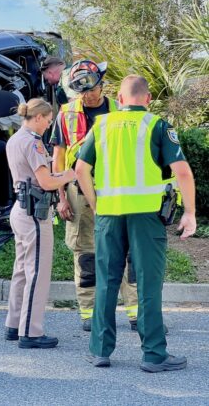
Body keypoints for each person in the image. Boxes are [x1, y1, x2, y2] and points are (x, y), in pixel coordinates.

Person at [76, 75, 196, 372]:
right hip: (146, 216)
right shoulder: (158, 125)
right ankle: (154, 355)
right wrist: (190, 212)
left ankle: (100, 350)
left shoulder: (101, 125)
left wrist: (95, 204)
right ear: (148, 97)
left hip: (108, 215)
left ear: (119, 96)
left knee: (106, 280)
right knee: (148, 283)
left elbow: (80, 169)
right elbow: (181, 170)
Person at [50, 59, 139, 332]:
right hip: (78, 193)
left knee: (127, 252)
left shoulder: (119, 111)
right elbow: (59, 159)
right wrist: (61, 198)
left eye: (92, 88)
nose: (88, 94)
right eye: (81, 90)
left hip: (117, 191)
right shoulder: (65, 115)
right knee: (86, 254)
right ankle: (89, 314)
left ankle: (136, 313)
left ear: (101, 84)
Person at [4, 98, 75, 349]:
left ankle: (14, 325)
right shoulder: (33, 143)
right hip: (34, 212)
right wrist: (69, 175)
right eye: (47, 119)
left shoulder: (15, 139)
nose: (48, 124)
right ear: (37, 117)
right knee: (37, 274)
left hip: (21, 209)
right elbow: (45, 183)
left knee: (22, 270)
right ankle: (31, 332)